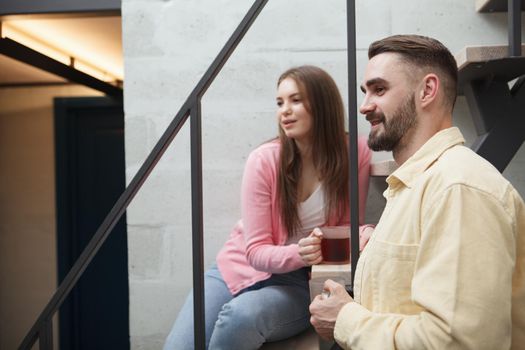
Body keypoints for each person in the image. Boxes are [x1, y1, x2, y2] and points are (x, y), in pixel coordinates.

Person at [309, 34, 525, 349]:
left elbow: (457, 342)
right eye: (365, 92)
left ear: (427, 90)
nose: (364, 106)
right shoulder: (416, 184)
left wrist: (345, 319)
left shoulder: (459, 189)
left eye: (379, 89)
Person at [164, 65, 373, 350]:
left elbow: (347, 228)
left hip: (299, 281)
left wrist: (366, 233)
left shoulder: (355, 153)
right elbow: (255, 252)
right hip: (235, 268)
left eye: (295, 100)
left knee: (240, 317)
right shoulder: (264, 159)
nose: (284, 111)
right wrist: (299, 251)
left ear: (323, 104)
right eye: (279, 102)